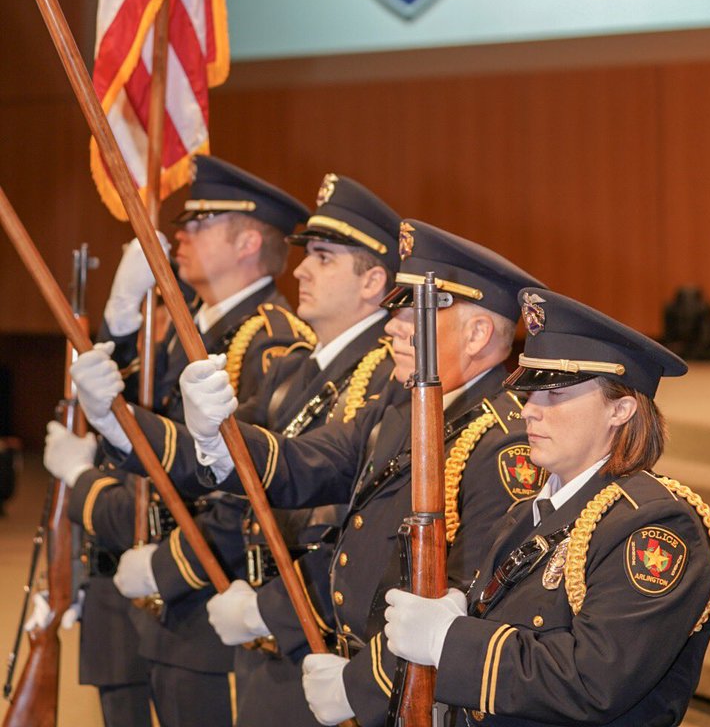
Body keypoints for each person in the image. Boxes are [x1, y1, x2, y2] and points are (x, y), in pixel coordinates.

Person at [177, 220, 548, 727]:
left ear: (478, 332)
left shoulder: (506, 443)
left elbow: (470, 599)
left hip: (410, 695)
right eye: (396, 306)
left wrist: (360, 687)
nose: (392, 323)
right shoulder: (401, 407)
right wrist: (217, 437)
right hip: (352, 671)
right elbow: (304, 465)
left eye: (415, 308)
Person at [44, 155, 310, 727]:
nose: (180, 234)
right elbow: (122, 419)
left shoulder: (271, 343)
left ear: (246, 244)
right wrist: (118, 317)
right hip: (153, 600)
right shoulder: (198, 329)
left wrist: (164, 565)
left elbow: (244, 490)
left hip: (204, 605)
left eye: (202, 221)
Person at [383, 286, 710, 727]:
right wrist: (462, 617)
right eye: (529, 393)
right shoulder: (525, 514)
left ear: (620, 409)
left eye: (555, 395)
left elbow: (593, 683)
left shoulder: (654, 526)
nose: (529, 410)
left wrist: (452, 641)